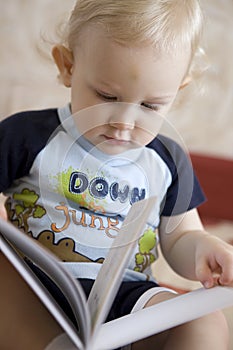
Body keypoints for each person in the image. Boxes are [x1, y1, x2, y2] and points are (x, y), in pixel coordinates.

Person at [0, 1, 233, 349]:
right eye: (107, 96)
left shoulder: (167, 161)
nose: (124, 122)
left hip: (127, 300)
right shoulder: (28, 135)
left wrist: (206, 251)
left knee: (204, 321)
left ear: (177, 92)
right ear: (68, 67)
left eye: (150, 106)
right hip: (32, 291)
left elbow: (182, 237)